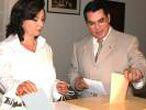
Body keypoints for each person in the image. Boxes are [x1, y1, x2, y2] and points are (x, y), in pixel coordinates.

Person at [68, 0, 146, 98]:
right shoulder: (78, 45)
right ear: (87, 24)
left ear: (108, 18)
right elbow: (73, 71)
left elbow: (140, 63)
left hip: (117, 105)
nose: (97, 28)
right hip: (85, 105)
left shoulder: (128, 41)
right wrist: (76, 82)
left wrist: (137, 73)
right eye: (91, 23)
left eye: (101, 21)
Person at [0, 0, 68, 108]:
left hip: (45, 106)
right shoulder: (6, 47)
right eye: (35, 19)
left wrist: (57, 86)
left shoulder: (46, 48)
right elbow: (3, 79)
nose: (41, 24)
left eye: (42, 20)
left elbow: (46, 79)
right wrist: (18, 87)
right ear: (21, 20)